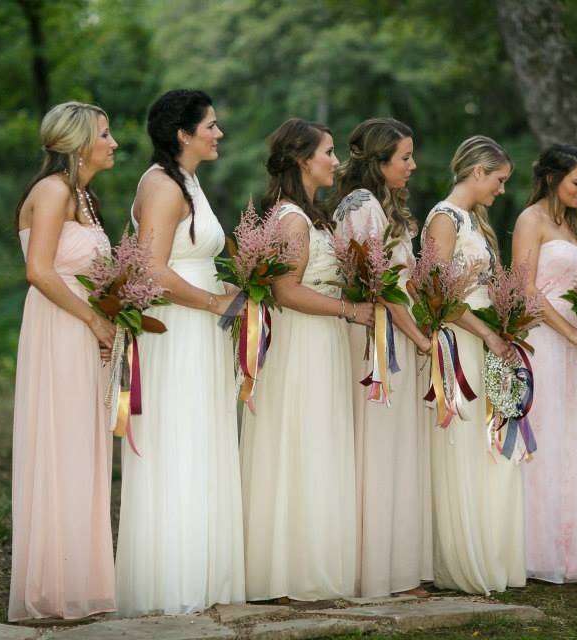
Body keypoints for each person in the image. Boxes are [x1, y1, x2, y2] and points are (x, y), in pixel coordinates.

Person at [116, 89, 245, 616]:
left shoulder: (188, 181)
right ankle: (173, 579)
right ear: (182, 134)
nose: (218, 133)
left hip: (200, 332)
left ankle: (205, 569)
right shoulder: (163, 186)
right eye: (210, 125)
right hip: (178, 328)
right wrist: (215, 300)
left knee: (203, 437)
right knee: (180, 439)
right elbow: (150, 269)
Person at [240, 118, 372, 601]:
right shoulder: (292, 218)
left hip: (322, 340)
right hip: (303, 343)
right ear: (303, 160)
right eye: (329, 152)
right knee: (300, 441)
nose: (336, 162)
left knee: (316, 443)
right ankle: (292, 571)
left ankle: (311, 563)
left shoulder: (309, 215)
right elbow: (286, 290)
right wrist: (351, 309)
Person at [10, 101, 117, 621]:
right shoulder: (52, 192)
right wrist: (94, 319)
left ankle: (82, 582)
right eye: (104, 133)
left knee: (84, 446)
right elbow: (40, 271)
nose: (113, 142)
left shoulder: (85, 197)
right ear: (78, 144)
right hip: (60, 325)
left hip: (83, 325)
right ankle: (54, 587)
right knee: (62, 443)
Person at [331, 117, 433, 598]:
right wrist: (418, 336)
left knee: (396, 447)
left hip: (396, 329)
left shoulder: (384, 206)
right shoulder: (362, 206)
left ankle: (396, 565)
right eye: (405, 157)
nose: (413, 165)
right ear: (379, 162)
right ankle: (375, 571)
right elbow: (381, 285)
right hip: (378, 341)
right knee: (378, 447)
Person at [423, 135, 525, 595]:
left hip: (489, 341)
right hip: (462, 344)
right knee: (464, 443)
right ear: (478, 171)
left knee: (495, 445)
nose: (501, 190)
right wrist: (484, 331)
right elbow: (438, 294)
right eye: (499, 180)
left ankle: (493, 553)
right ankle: (463, 559)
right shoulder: (443, 219)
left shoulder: (476, 223)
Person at [511, 144, 577, 584]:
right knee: (542, 439)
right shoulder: (531, 221)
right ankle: (534, 551)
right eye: (576, 182)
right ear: (550, 179)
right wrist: (571, 333)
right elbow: (525, 290)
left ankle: (568, 553)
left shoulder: (574, 227)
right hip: (544, 338)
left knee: (571, 441)